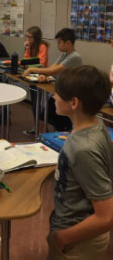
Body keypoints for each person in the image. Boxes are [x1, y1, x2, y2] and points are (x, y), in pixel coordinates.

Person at [47, 65, 113, 260]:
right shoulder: (95, 124)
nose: (53, 97)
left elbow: (106, 216)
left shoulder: (83, 149)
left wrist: (61, 238)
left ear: (74, 103)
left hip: (77, 239)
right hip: (75, 227)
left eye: (57, 93)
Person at [23, 28, 82, 135]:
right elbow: (52, 69)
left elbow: (53, 70)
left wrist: (32, 69)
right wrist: (44, 75)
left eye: (59, 43)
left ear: (68, 43)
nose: (57, 45)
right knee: (42, 118)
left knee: (60, 127)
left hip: (68, 97)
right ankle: (41, 141)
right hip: (61, 93)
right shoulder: (64, 55)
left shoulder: (74, 57)